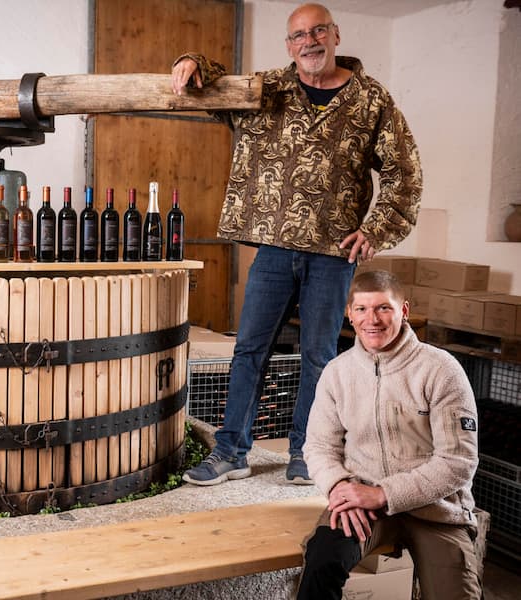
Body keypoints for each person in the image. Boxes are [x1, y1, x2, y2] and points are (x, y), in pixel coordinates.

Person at [172, 3, 422, 485]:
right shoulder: (266, 89)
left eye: (318, 31)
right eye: (299, 35)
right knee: (250, 350)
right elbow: (210, 83)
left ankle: (308, 454)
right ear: (289, 45)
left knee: (319, 358)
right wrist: (192, 60)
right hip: (274, 248)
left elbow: (404, 171)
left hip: (333, 253)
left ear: (336, 35)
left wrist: (376, 229)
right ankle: (231, 452)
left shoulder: (372, 100)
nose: (310, 41)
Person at [298, 270, 481, 599]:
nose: (372, 320)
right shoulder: (337, 373)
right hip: (362, 502)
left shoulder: (441, 370)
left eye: (384, 308)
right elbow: (319, 446)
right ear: (349, 314)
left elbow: (458, 462)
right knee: (321, 563)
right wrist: (341, 489)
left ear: (404, 311)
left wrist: (383, 493)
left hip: (435, 508)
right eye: (362, 309)